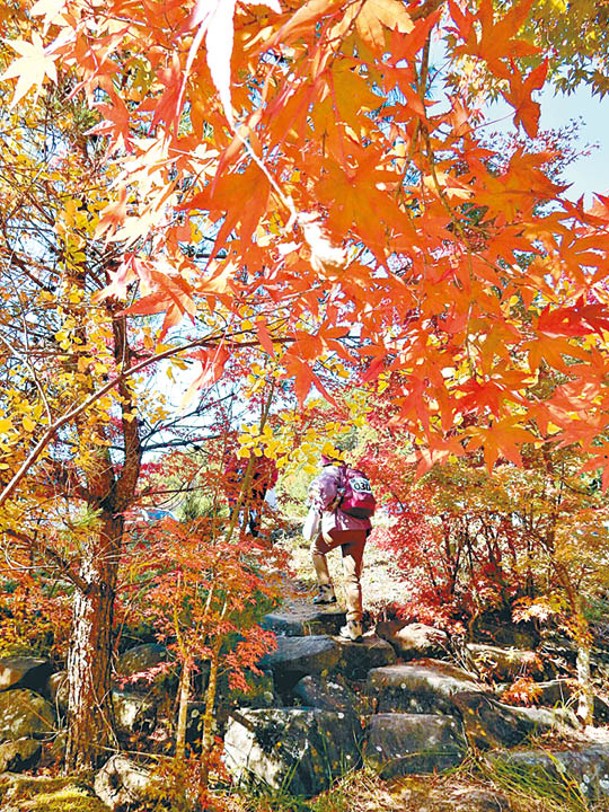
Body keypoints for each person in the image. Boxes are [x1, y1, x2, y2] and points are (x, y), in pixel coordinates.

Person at [307, 453, 372, 642]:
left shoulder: (329, 473)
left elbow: (324, 497)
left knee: (317, 550)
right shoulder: (356, 474)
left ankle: (326, 590)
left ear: (325, 461)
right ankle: (355, 626)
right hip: (360, 529)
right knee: (353, 579)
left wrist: (317, 506)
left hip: (338, 525)